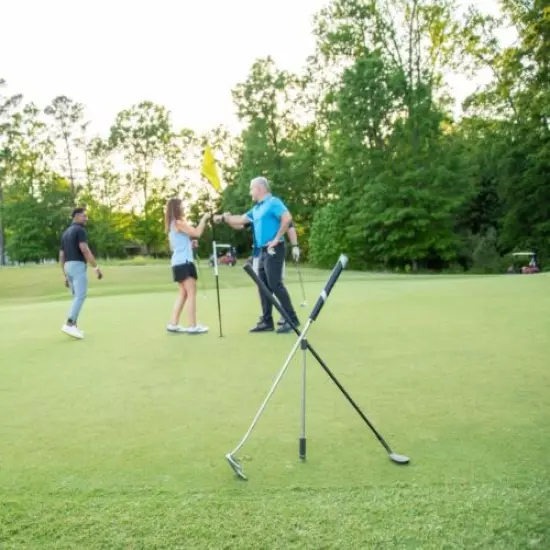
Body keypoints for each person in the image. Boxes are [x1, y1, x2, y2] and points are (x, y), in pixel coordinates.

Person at [214, 176, 299, 334]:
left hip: (274, 248)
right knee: (262, 286)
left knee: (275, 284)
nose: (250, 191)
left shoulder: (273, 202)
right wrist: (225, 218)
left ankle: (291, 319)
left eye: (252, 188)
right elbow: (240, 220)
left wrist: (276, 239)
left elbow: (287, 219)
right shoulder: (257, 209)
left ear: (260, 188)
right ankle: (267, 321)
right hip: (261, 251)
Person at [165, 198, 210, 334]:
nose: (183, 208)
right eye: (181, 206)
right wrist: (204, 219)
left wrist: (189, 244)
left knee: (183, 293)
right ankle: (192, 325)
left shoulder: (172, 225)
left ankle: (173, 323)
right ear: (176, 208)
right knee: (191, 293)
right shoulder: (178, 222)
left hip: (178, 262)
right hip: (184, 262)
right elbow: (196, 233)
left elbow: (175, 246)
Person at [59, 207, 103, 340]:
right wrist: (96, 267)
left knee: (75, 297)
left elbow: (61, 255)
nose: (86, 219)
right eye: (84, 216)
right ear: (76, 216)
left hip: (68, 266)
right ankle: (70, 323)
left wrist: (65, 274)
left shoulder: (66, 233)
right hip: (77, 265)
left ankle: (74, 327)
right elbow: (84, 249)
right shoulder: (80, 230)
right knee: (80, 296)